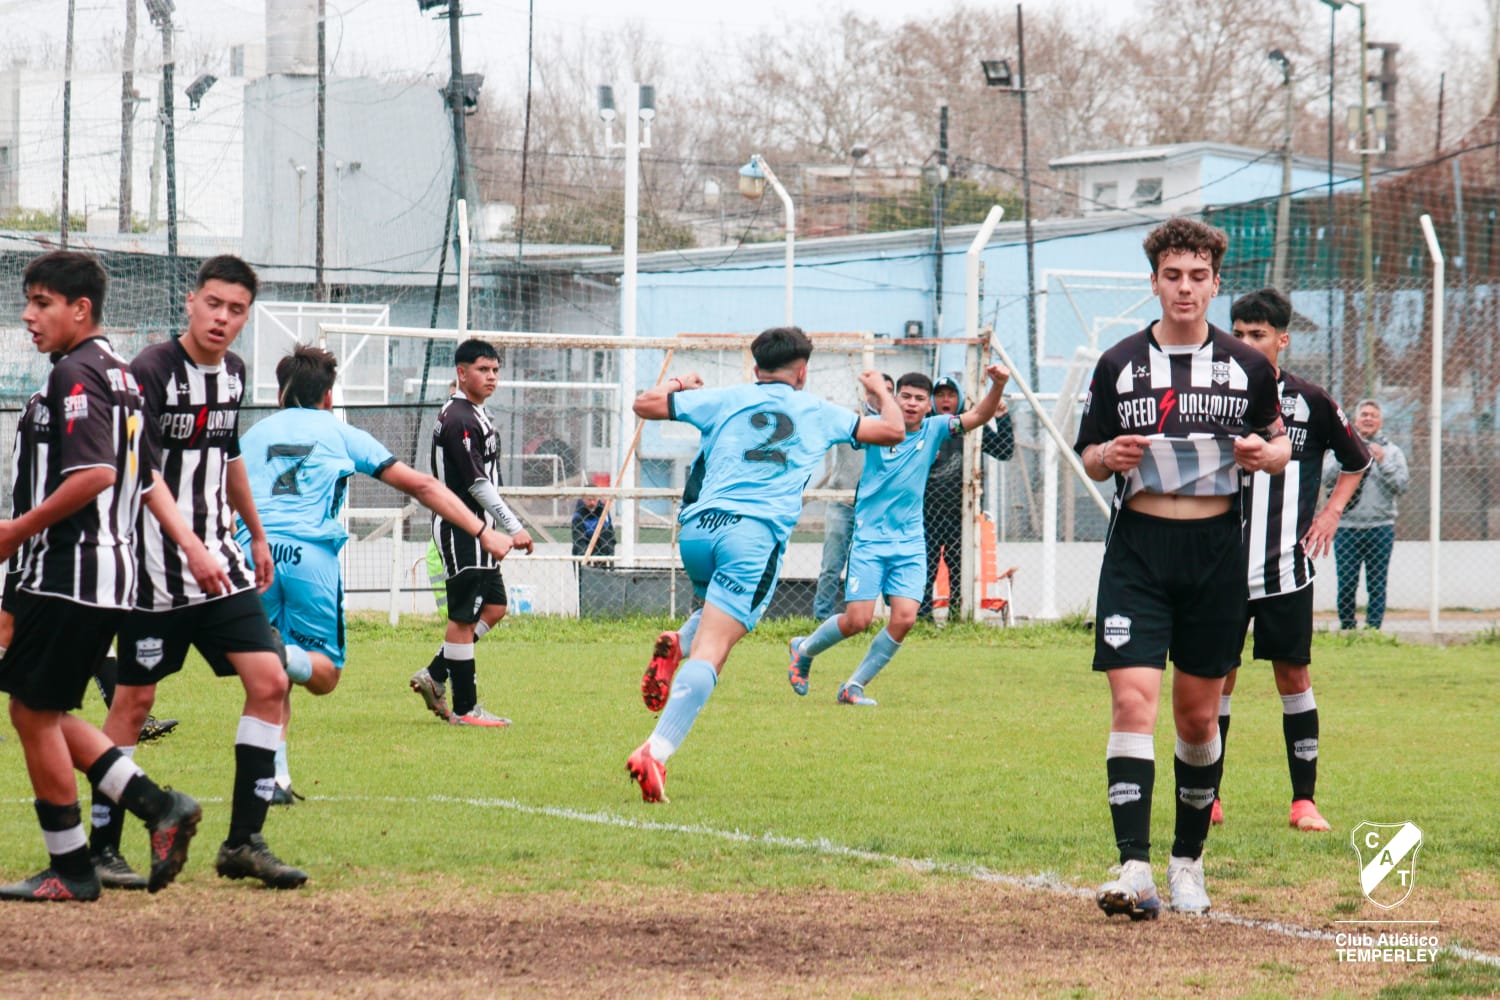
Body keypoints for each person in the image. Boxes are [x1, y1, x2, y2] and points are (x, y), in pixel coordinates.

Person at [1074, 218, 1290, 920]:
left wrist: (1266, 455)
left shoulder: (1248, 366)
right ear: (1155, 282)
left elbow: (1281, 444)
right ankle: (1133, 866)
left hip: (1215, 554)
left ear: (1214, 282)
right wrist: (1110, 458)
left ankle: (1186, 861)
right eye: (1173, 276)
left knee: (1198, 721)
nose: (1185, 288)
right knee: (1132, 700)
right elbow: (1090, 454)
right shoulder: (1117, 364)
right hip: (1138, 549)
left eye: (1198, 276)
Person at [93, 254, 310, 891]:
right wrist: (188, 544)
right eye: (213, 303)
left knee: (269, 680)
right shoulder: (150, 371)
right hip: (157, 572)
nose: (222, 318)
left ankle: (243, 842)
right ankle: (105, 846)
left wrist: (258, 533)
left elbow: (229, 455)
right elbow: (143, 471)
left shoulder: (234, 374)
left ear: (246, 317)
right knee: (134, 701)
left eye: (236, 309)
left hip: (223, 565)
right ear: (191, 301)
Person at [627, 327, 904, 802]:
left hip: (696, 530)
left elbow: (645, 405)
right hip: (751, 535)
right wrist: (880, 392)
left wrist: (679, 385)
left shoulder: (726, 397)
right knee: (716, 648)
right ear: (802, 372)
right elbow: (894, 430)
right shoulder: (817, 409)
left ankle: (678, 641)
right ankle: (656, 750)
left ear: (756, 369)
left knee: (714, 614)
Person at [0, 251, 200, 901]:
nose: (28, 316)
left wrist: (15, 531)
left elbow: (97, 476)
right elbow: (142, 477)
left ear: (80, 309)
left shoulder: (79, 375)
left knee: (31, 712)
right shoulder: (123, 376)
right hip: (105, 574)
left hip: (68, 572)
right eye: (27, 302)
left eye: (42, 303)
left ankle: (75, 868)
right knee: (43, 710)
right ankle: (155, 806)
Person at [239, 345, 513, 801]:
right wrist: (482, 530)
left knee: (266, 676)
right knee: (321, 675)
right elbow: (423, 486)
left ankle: (275, 778)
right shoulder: (340, 431)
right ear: (328, 396)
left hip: (253, 553)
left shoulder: (253, 433)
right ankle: (287, 664)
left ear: (282, 393)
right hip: (310, 554)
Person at [1218, 288, 1370, 833]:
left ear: (1281, 339)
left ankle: (1303, 801)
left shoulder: (1313, 401)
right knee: (1217, 677)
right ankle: (1206, 795)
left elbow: (1357, 460)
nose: (1246, 343)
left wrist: (1330, 513)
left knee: (1294, 674)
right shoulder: (1212, 398)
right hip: (1220, 570)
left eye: (1257, 334)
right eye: (1238, 332)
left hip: (1286, 567)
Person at [789, 366, 1009, 705]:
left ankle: (853, 687)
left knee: (905, 618)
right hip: (870, 540)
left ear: (929, 406)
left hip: (909, 543)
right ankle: (803, 651)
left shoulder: (936, 429)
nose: (911, 403)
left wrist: (999, 383)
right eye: (904, 396)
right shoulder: (876, 428)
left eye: (920, 399)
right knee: (858, 620)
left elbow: (979, 415)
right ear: (895, 399)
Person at [409, 339, 534, 726]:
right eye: (483, 369)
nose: (491, 376)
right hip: (463, 531)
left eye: (495, 370)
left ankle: (435, 672)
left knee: (495, 607)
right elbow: (478, 484)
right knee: (463, 619)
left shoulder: (474, 413)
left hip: (479, 533)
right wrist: (514, 527)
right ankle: (465, 709)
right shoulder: (461, 418)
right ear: (462, 373)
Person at [918, 373, 1015, 621]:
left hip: (961, 514)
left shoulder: (970, 426)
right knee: (923, 570)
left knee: (959, 570)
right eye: (940, 395)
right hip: (925, 515)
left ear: (959, 398)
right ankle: (922, 619)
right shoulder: (923, 427)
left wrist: (1002, 418)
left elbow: (1004, 451)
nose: (945, 400)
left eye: (950, 394)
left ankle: (958, 618)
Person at [811, 373, 894, 622]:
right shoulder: (850, 419)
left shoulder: (898, 424)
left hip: (877, 507)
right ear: (866, 393)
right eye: (877, 390)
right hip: (842, 501)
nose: (881, 395)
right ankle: (821, 617)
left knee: (876, 564)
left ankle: (869, 617)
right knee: (831, 565)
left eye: (888, 390)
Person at [1325, 400, 1407, 630]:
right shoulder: (1341, 447)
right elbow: (1326, 479)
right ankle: (1348, 629)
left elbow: (1401, 486)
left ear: (1380, 421)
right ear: (1356, 420)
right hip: (1347, 527)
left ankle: (1373, 631)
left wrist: (1383, 462)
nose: (1368, 419)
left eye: (1373, 415)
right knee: (1347, 583)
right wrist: (1350, 454)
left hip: (1381, 528)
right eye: (1364, 415)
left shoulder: (1393, 452)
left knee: (1377, 584)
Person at [571, 496, 615, 562]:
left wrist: (608, 555)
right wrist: (586, 560)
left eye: (594, 499)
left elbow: (609, 537)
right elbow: (579, 541)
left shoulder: (604, 513)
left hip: (604, 554)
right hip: (584, 555)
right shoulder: (578, 516)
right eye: (589, 499)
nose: (592, 502)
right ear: (583, 499)